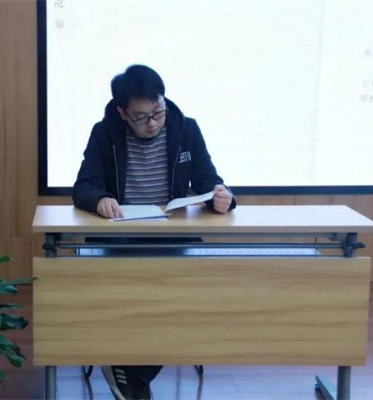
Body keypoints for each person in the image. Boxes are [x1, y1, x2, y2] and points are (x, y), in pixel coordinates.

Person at [72, 64, 236, 400]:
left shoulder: (186, 129)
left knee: (192, 294)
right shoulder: (104, 133)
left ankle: (132, 372)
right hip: (119, 235)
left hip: (171, 235)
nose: (152, 123)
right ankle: (131, 374)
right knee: (126, 293)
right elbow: (84, 186)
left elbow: (208, 180)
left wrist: (224, 197)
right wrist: (100, 199)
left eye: (158, 112)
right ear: (122, 113)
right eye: (141, 117)